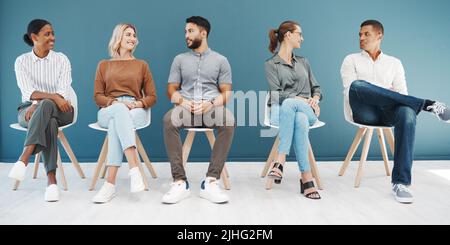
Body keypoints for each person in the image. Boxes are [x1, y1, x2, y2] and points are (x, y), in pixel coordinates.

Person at [341, 20, 450, 204]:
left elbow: (402, 95)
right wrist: (386, 91)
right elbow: (350, 91)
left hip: (387, 112)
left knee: (407, 112)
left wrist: (386, 94)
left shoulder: (394, 63)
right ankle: (427, 105)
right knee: (357, 85)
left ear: (379, 36)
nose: (361, 37)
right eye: (359, 34)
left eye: (366, 34)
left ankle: (401, 183)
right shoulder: (351, 60)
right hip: (363, 112)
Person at [162, 16, 235, 204]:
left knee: (228, 121)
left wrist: (211, 103)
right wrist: (182, 102)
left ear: (203, 33)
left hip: (210, 108)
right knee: (169, 119)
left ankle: (211, 181)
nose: (186, 35)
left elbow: (227, 93)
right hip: (186, 108)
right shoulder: (179, 59)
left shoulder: (221, 60)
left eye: (190, 31)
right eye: (185, 31)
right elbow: (171, 89)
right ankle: (179, 182)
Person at [8, 19, 75, 202]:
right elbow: (28, 92)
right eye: (47, 34)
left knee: (46, 107)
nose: (52, 37)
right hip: (28, 110)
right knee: (49, 121)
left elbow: (62, 93)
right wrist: (45, 100)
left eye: (53, 33)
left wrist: (44, 101)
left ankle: (24, 157)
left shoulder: (62, 59)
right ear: (34, 37)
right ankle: (51, 181)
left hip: (63, 109)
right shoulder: (21, 61)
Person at [91, 23, 157, 204]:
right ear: (118, 37)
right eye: (128, 34)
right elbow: (97, 96)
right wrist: (114, 103)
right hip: (109, 108)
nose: (133, 38)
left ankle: (109, 185)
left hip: (134, 109)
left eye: (134, 35)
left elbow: (152, 96)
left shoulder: (141, 65)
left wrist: (137, 103)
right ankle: (134, 168)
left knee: (116, 123)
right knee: (118, 112)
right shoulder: (103, 65)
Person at [265, 21, 322, 199]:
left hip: (307, 108)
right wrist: (296, 98)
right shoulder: (271, 64)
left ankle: (280, 160)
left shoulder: (304, 62)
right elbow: (275, 95)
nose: (302, 38)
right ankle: (306, 177)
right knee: (299, 119)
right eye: (299, 34)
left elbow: (317, 88)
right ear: (288, 35)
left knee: (296, 109)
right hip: (280, 111)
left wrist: (315, 99)